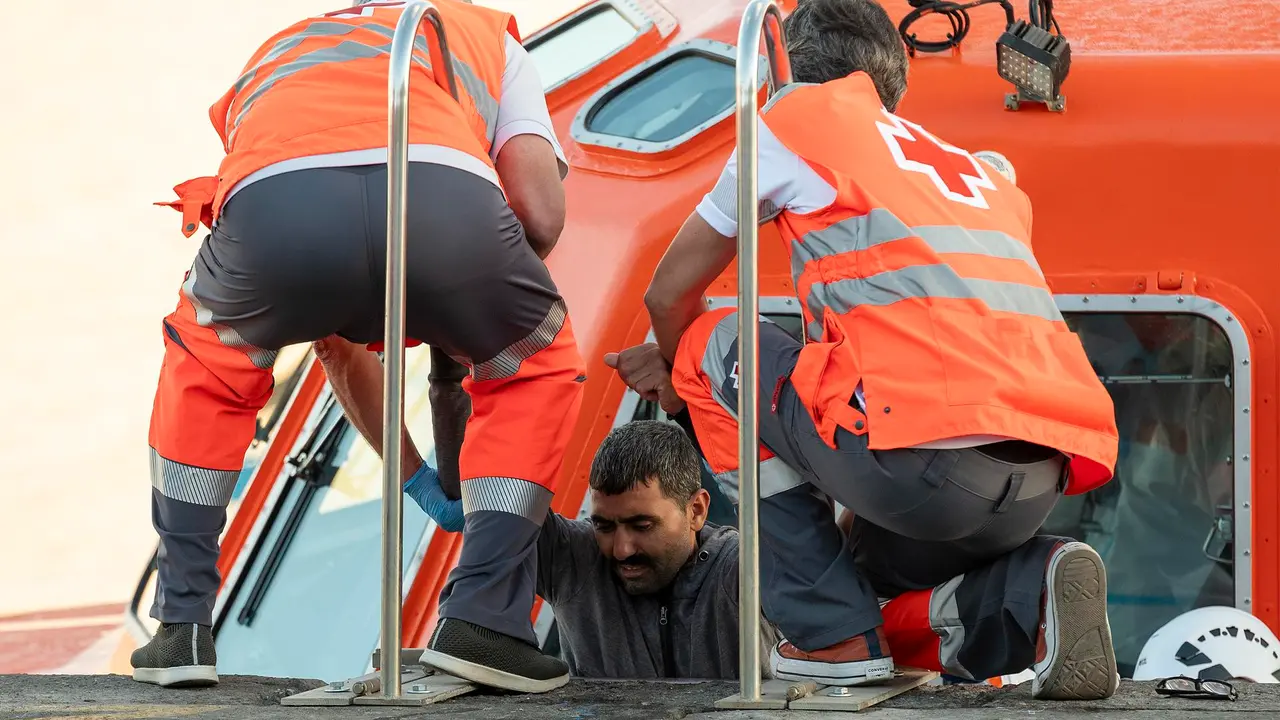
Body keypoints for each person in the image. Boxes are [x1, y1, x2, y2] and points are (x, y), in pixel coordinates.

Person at [608, 0, 1122, 699]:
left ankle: (828, 639)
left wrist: (679, 380)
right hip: (1038, 474)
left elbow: (669, 295)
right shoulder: (981, 171)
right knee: (858, 574)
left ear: (779, 73)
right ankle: (1032, 588)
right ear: (896, 86)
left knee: (708, 342)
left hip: (925, 465)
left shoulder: (795, 119)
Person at [135, 0, 584, 694]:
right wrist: (467, 321)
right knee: (536, 364)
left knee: (207, 366)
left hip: (276, 206)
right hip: (441, 191)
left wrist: (411, 477)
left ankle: (182, 627)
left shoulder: (285, 46)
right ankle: (486, 624)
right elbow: (539, 214)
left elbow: (338, 344)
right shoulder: (482, 33)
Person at [407, 419, 779, 679]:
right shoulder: (575, 556)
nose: (620, 549)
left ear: (696, 510)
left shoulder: (743, 567)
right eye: (604, 525)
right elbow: (482, 475)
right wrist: (446, 375)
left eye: (642, 525)